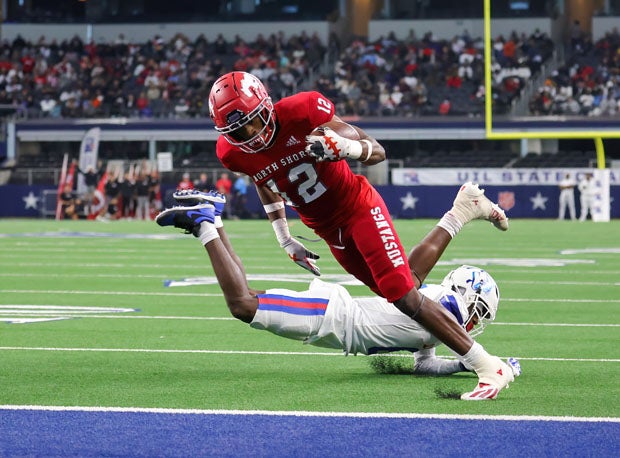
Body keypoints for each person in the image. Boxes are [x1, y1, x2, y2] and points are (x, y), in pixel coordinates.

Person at [207, 71, 511, 397]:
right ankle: (464, 209)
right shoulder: (231, 152)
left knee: (402, 294)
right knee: (401, 287)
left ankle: (488, 366)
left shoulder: (304, 110)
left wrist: (346, 147)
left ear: (265, 105)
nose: (249, 133)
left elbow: (377, 151)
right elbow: (262, 177)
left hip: (358, 209)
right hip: (328, 231)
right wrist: (283, 236)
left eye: (252, 121)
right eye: (237, 130)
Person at [156, 187, 519, 400]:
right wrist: (482, 361)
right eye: (479, 311)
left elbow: (425, 364)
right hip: (331, 316)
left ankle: (211, 219)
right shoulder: (449, 310)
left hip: (336, 317)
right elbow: (441, 315)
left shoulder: (438, 312)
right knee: (242, 305)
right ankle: (206, 221)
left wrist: (462, 364)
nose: (475, 322)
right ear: (466, 298)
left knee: (246, 299)